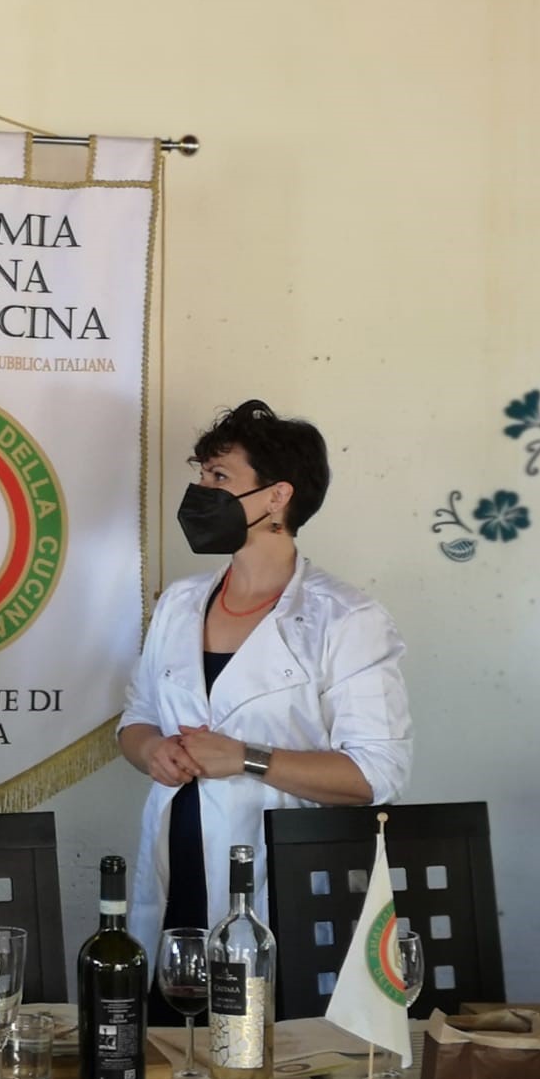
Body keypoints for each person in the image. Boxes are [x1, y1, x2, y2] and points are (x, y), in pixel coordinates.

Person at [118, 400, 412, 1013]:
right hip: (177, 867)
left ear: (278, 497)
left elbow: (376, 774)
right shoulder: (179, 603)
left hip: (281, 883)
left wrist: (246, 758)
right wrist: (152, 751)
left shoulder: (346, 618)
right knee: (173, 1036)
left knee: (269, 1040)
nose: (201, 491)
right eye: (201, 474)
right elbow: (136, 717)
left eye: (219, 477)